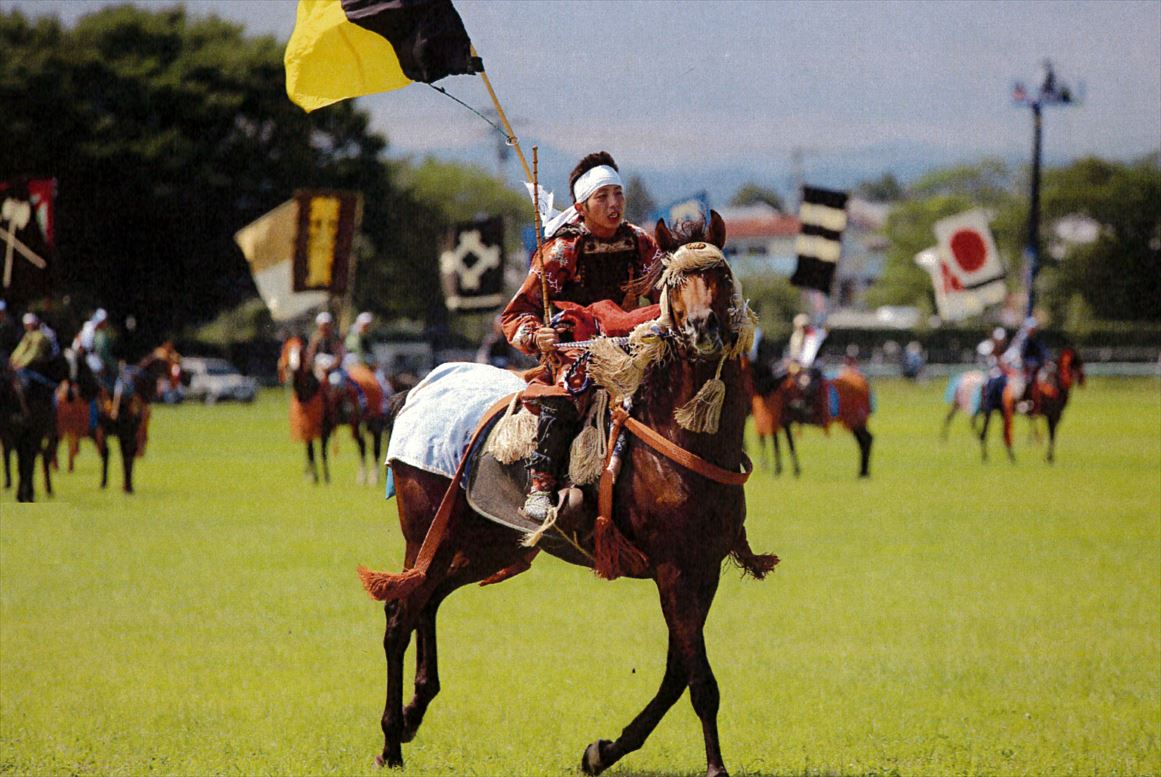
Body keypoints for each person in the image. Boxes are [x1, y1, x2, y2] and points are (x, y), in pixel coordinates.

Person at [500, 151, 664, 521]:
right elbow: (515, 313)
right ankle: (541, 486)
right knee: (569, 389)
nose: (613, 204)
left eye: (618, 195)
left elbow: (663, 296)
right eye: (602, 197)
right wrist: (536, 335)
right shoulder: (561, 250)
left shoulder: (641, 244)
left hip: (629, 344)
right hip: (574, 347)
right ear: (581, 206)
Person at [305, 311, 345, 386]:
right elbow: (310, 356)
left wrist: (328, 368)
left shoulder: (335, 338)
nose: (325, 327)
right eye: (323, 325)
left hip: (333, 369)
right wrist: (314, 367)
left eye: (327, 324)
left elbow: (339, 358)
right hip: (318, 368)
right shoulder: (314, 339)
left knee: (335, 381)